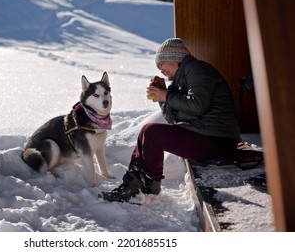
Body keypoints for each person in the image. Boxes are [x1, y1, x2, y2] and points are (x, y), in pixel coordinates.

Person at [101, 38, 241, 203]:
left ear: (175, 57)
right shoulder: (182, 80)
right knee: (147, 132)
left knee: (151, 132)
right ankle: (139, 185)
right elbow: (172, 118)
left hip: (218, 140)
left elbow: (198, 105)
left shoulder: (198, 70)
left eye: (162, 64)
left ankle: (142, 187)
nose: (160, 70)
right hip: (209, 136)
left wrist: (166, 95)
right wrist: (163, 95)